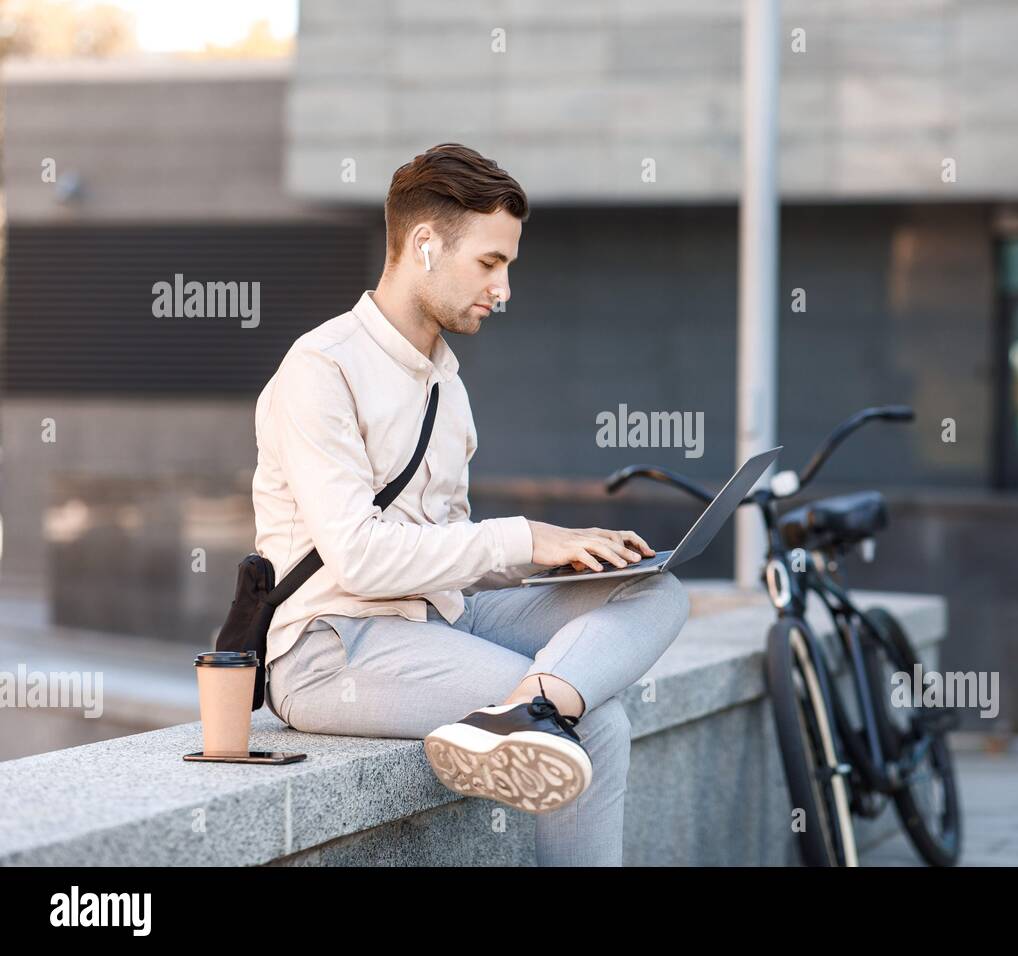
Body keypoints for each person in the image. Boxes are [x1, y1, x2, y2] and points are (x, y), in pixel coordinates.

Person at [251, 143, 691, 866]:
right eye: (491, 263)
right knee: (597, 725)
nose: (505, 288)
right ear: (425, 244)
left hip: (435, 611)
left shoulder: (446, 385)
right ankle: (539, 712)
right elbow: (359, 556)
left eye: (508, 266)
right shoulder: (321, 368)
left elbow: (448, 551)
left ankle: (532, 706)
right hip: (333, 644)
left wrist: (562, 561)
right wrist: (524, 538)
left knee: (654, 588)